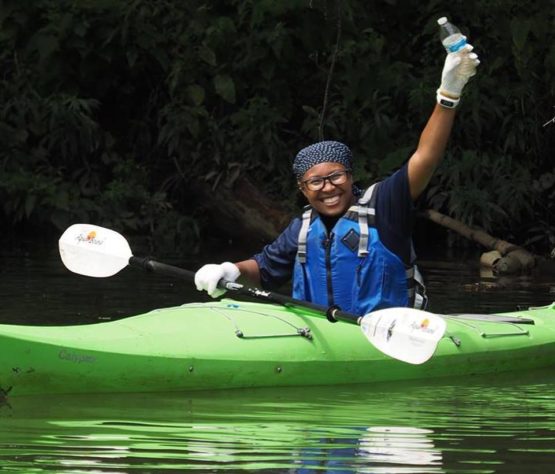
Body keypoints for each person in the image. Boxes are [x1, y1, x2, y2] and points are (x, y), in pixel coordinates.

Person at [194, 43, 480, 315]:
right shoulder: (302, 230)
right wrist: (231, 270)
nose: (328, 187)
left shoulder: (385, 205)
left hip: (389, 335)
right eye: (315, 182)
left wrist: (448, 95)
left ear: (350, 176)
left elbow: (425, 157)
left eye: (335, 176)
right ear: (303, 190)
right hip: (322, 338)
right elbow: (263, 269)